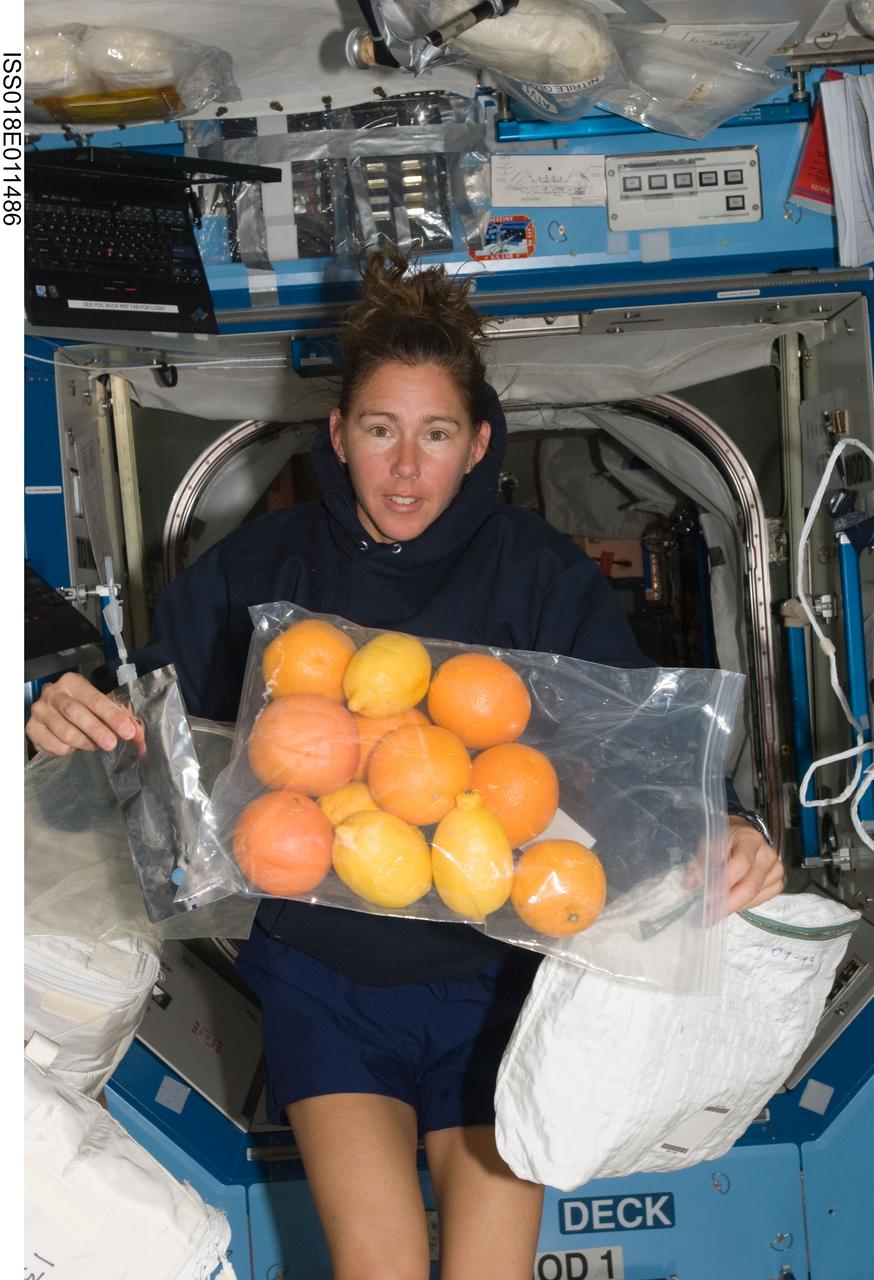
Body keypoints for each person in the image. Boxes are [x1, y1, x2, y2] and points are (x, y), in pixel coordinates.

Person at [26, 248, 784, 1280]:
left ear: (478, 444)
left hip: (501, 979)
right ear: (338, 435)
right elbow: (144, 734)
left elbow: (636, 752)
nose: (404, 469)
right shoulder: (265, 569)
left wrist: (728, 824)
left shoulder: (539, 575)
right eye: (380, 431)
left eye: (433, 435)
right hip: (323, 979)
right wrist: (66, 715)